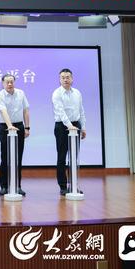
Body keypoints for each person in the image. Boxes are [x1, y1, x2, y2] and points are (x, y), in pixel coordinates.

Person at [51, 68, 86, 196]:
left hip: (76, 125)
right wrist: (69, 126)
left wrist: (83, 127)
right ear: (59, 79)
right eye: (63, 77)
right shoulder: (57, 93)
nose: (65, 79)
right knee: (62, 157)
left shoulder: (77, 93)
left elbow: (81, 111)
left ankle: (74, 185)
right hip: (62, 127)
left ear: (72, 79)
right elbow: (61, 112)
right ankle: (63, 186)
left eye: (68, 77)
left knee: (74, 158)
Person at [0, 74, 30, 196]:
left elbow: (26, 110)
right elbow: (3, 111)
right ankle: (4, 186)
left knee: (18, 158)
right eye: (7, 82)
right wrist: (10, 126)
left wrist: (27, 127)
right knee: (5, 157)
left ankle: (17, 186)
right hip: (5, 127)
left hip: (19, 126)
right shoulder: (0, 95)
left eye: (12, 82)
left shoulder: (21, 93)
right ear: (3, 83)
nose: (10, 84)